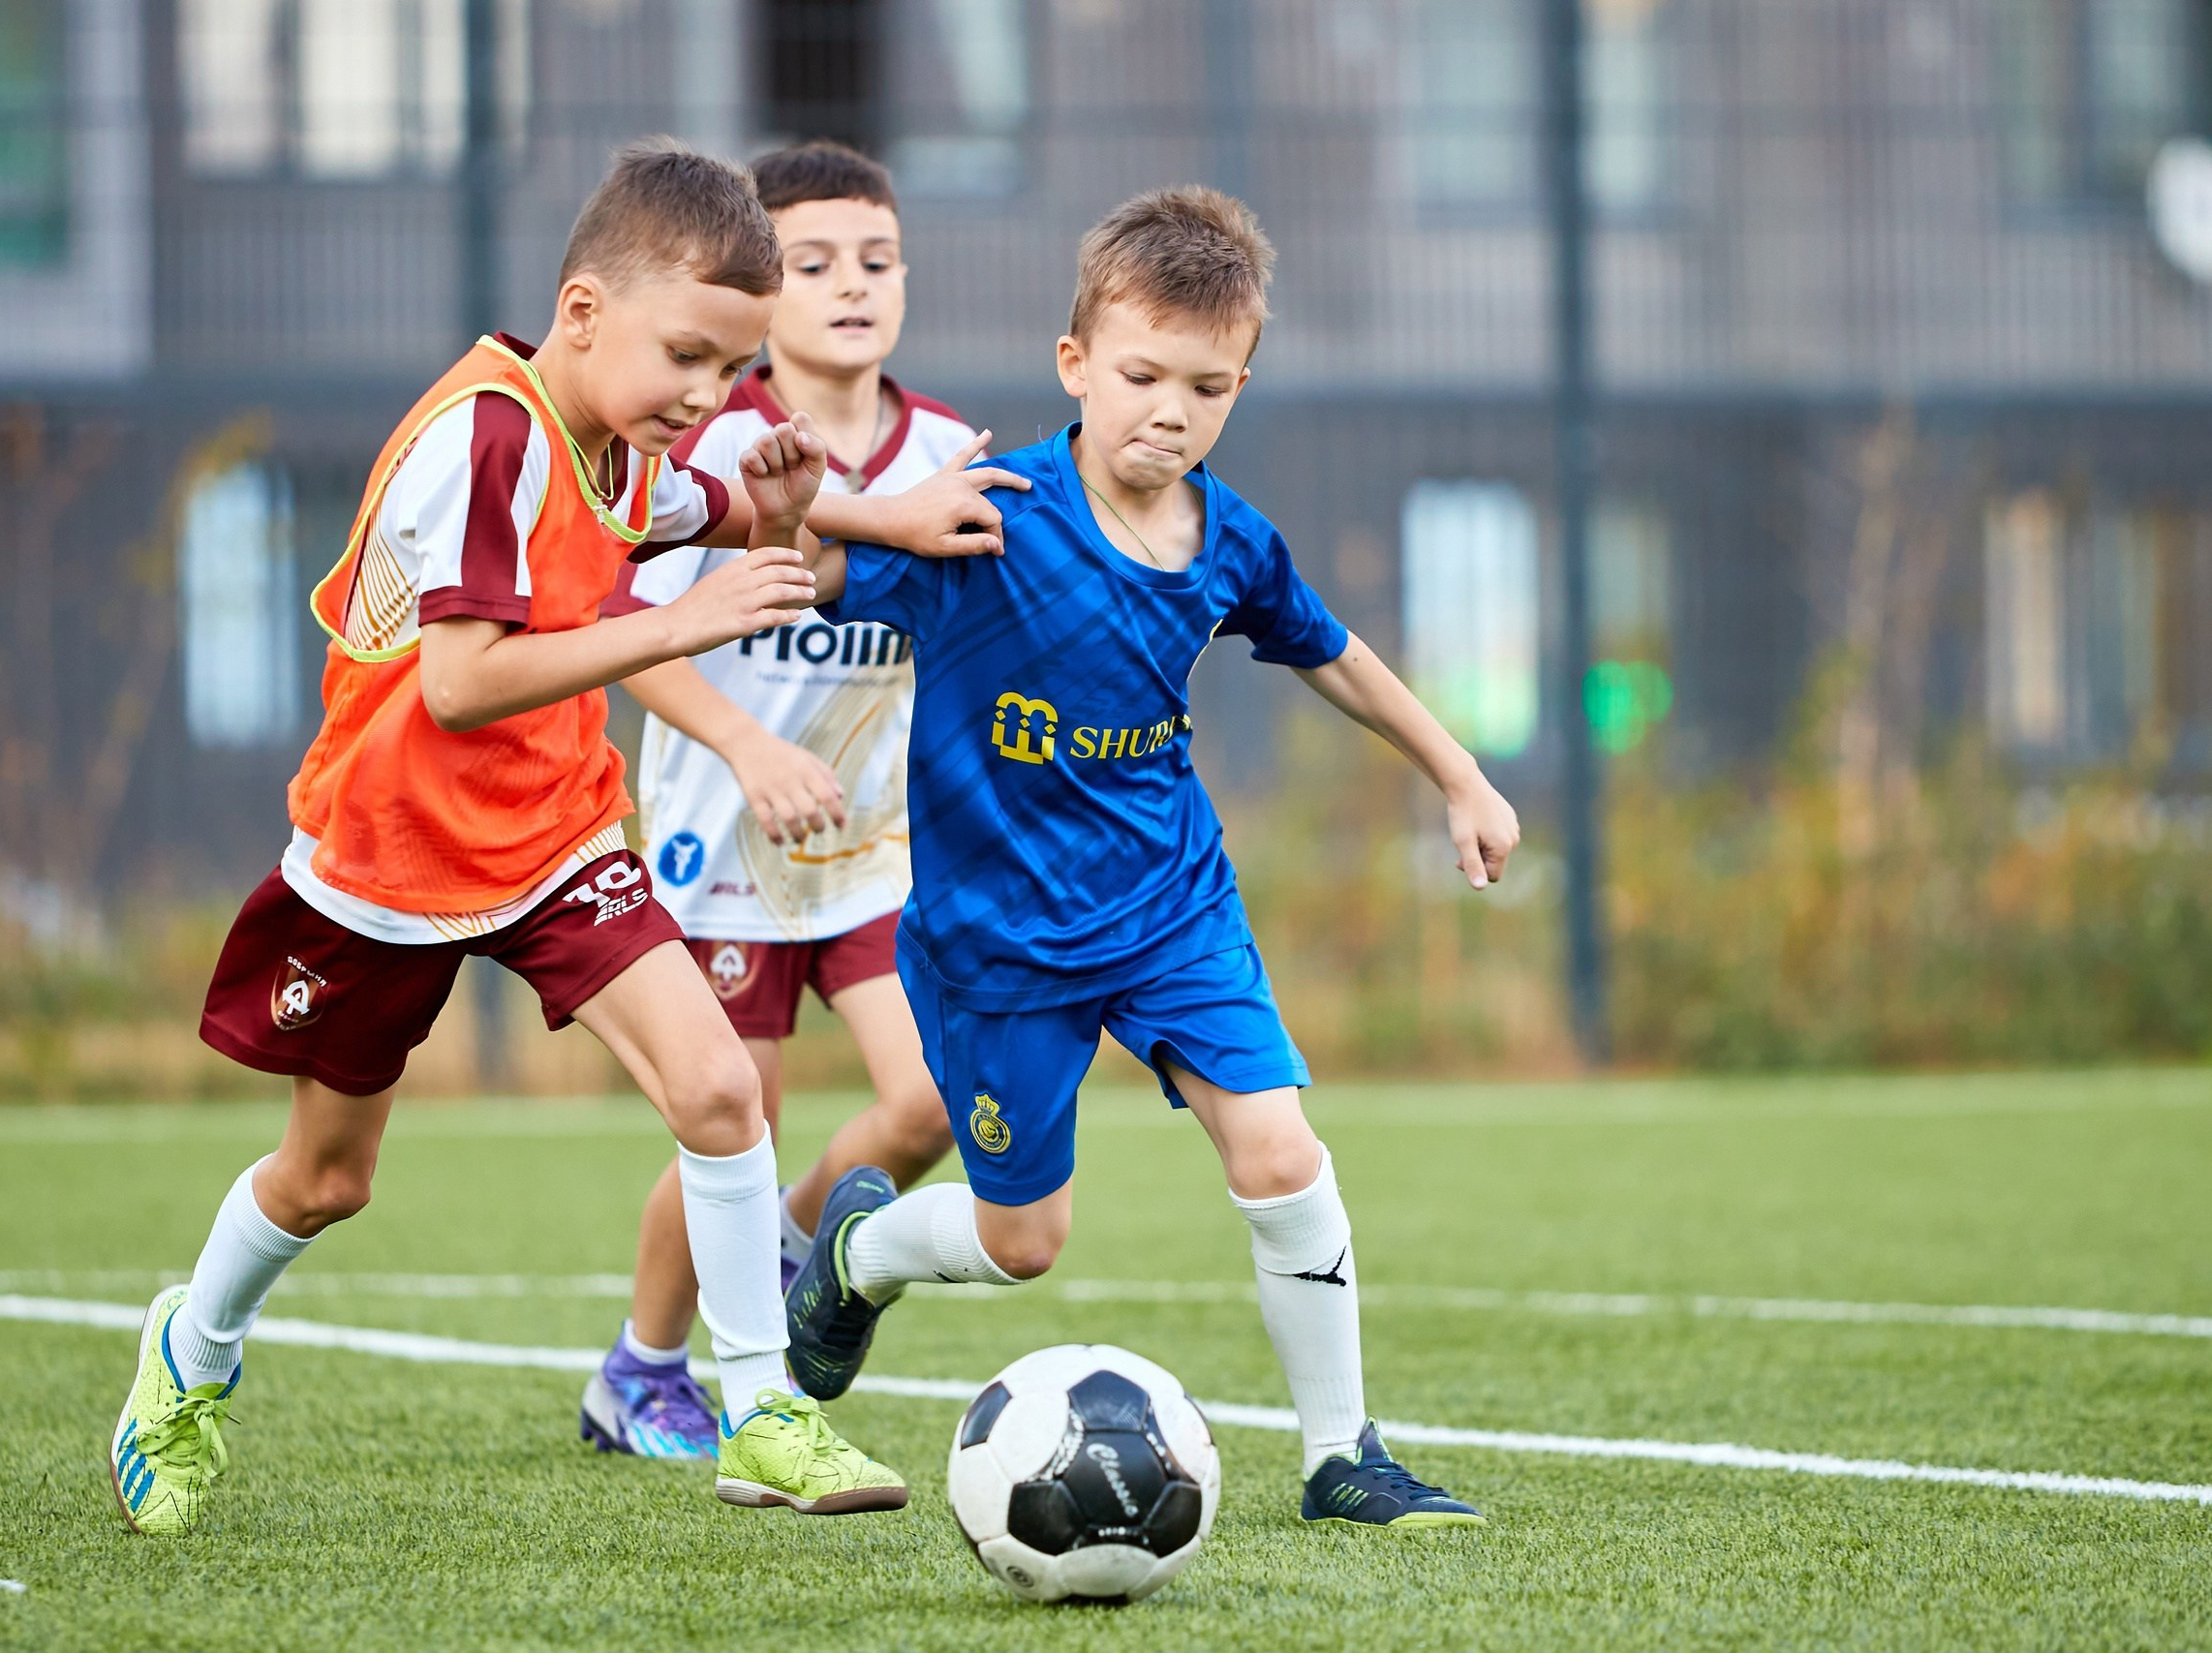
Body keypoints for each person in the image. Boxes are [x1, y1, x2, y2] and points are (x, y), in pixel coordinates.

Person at [108, 142, 1008, 1536]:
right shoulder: (487, 434)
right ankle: (193, 1351)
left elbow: (716, 505)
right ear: (583, 313)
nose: (711, 398)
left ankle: (761, 1405)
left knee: (721, 1096)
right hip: (386, 857)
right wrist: (685, 620)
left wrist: (856, 513)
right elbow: (461, 684)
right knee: (328, 1180)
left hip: (556, 836)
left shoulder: (611, 438)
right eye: (691, 360)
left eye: (731, 369)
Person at [778, 187, 1523, 1529]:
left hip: (1174, 906)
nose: (1169, 411)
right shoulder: (987, 513)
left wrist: (1458, 774)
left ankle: (1343, 1455)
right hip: (1001, 941)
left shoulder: (1230, 539)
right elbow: (803, 570)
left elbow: (1333, 655)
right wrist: (819, 515)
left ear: (1241, 386)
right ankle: (862, 1250)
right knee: (1023, 1246)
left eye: (1206, 385)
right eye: (1139, 376)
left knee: (1283, 1153)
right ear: (1075, 366)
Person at [583, 141, 991, 1459]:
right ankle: (641, 1371)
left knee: (935, 1100)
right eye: (814, 263)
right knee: (733, 1115)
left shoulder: (945, 450)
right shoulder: (709, 440)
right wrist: (754, 749)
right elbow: (639, 632)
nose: (851, 286)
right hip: (727, 849)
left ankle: (802, 1248)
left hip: (876, 853)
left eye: (876, 261)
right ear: (765, 286)